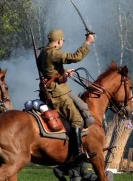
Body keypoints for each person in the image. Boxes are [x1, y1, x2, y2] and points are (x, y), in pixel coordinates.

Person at [38, 29, 94, 163]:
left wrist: (63, 72)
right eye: (62, 40)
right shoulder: (53, 52)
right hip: (57, 93)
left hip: (62, 88)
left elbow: (50, 71)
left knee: (83, 106)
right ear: (58, 41)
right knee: (77, 120)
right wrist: (87, 42)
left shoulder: (45, 51)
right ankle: (77, 155)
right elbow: (76, 57)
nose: (62, 42)